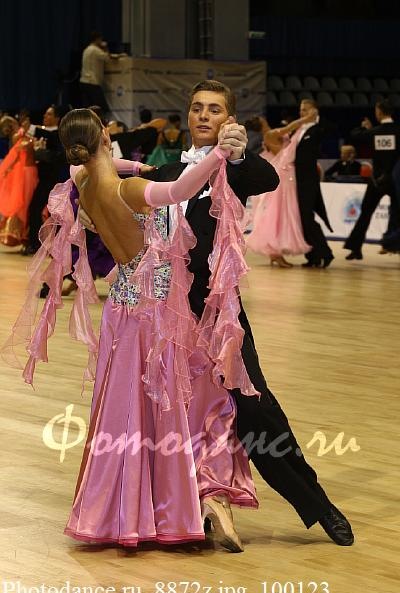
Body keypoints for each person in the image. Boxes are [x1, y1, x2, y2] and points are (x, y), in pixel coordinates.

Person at [82, 80, 354, 545]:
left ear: (228, 118)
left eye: (214, 109)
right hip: (164, 319)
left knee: (255, 409)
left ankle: (318, 506)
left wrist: (240, 153)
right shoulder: (166, 172)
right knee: (170, 416)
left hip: (218, 315)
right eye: (197, 108)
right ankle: (180, 510)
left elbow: (266, 180)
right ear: (188, 116)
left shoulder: (233, 170)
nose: (204, 115)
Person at [8, 108, 259, 551]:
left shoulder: (85, 183)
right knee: (185, 401)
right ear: (106, 138)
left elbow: (84, 165)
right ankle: (176, 506)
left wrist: (135, 165)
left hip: (121, 309)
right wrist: (218, 154)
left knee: (126, 410)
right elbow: (180, 189)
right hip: (157, 314)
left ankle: (128, 511)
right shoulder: (128, 190)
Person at [246, 111, 316, 267]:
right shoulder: (270, 134)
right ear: (261, 122)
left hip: (285, 171)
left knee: (280, 213)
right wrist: (306, 119)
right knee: (280, 213)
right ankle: (275, 253)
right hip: (284, 173)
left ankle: (275, 254)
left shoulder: (270, 134)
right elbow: (290, 127)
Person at [344, 100, 400, 260]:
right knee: (397, 214)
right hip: (395, 181)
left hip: (377, 181)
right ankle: (392, 244)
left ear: (379, 112)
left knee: (365, 214)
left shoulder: (374, 132)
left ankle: (355, 249)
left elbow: (354, 135)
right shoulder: (398, 131)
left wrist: (365, 128)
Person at [22, 105, 67, 255]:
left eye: (49, 114)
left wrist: (39, 152)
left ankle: (40, 245)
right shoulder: (48, 133)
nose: (45, 117)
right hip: (44, 179)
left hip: (54, 180)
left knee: (44, 211)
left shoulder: (58, 134)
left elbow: (56, 154)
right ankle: (38, 244)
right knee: (39, 210)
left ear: (57, 118)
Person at [295, 99, 335, 268]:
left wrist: (317, 118)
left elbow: (330, 129)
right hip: (296, 181)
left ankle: (325, 253)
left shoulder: (318, 128)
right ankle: (313, 256)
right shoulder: (299, 129)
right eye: (301, 109)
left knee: (307, 218)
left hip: (309, 180)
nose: (302, 112)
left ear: (314, 111)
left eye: (305, 109)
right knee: (302, 219)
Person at [0, 116, 38, 246]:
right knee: (24, 203)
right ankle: (21, 234)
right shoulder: (19, 136)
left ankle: (24, 234)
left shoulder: (22, 136)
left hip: (29, 171)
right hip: (25, 172)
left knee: (28, 203)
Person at [79, 32, 124, 115]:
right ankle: (101, 121)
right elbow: (107, 58)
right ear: (97, 39)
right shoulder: (95, 50)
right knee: (101, 107)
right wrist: (106, 47)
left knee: (87, 108)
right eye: (100, 39)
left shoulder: (87, 49)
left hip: (83, 81)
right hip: (92, 82)